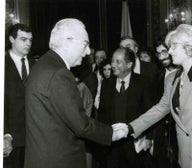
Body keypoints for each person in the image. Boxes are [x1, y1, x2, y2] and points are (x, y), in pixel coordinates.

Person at [24, 18, 128, 168]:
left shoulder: (43, 64)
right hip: (58, 161)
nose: (87, 52)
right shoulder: (59, 73)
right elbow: (81, 125)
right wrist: (110, 132)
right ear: (68, 41)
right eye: (85, 44)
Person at [123, 24, 192, 168]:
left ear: (189, 47)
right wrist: (130, 128)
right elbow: (160, 109)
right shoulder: (172, 78)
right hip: (183, 158)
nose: (170, 51)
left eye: (174, 46)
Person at [97, 47, 152, 168]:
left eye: (118, 61)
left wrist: (149, 138)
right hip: (112, 143)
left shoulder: (143, 82)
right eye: (112, 61)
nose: (113, 65)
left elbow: (150, 113)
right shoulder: (107, 83)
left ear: (129, 64)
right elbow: (102, 113)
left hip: (135, 142)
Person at [4, 23, 34, 168]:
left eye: (30, 40)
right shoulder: (3, 66)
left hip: (36, 138)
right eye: (23, 39)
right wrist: (5, 134)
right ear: (11, 39)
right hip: (11, 140)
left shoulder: (36, 65)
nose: (28, 43)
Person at [148, 35, 179, 168]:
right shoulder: (155, 78)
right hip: (161, 139)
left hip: (181, 137)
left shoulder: (186, 74)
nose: (161, 57)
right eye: (158, 53)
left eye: (164, 52)